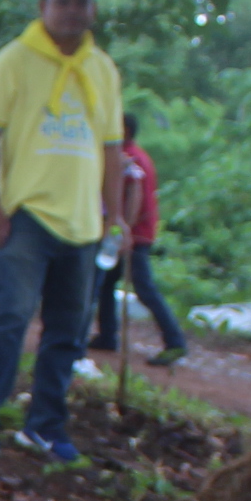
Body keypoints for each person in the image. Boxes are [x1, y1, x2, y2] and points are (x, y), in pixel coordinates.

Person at [0, 0, 127, 467]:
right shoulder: (13, 61)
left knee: (69, 329)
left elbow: (113, 147)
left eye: (81, 2)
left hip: (84, 221)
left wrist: (114, 217)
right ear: (43, 7)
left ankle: (46, 425)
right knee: (10, 316)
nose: (72, 11)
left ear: (92, 8)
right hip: (27, 213)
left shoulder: (102, 68)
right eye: (62, 1)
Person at [89, 114, 187, 367]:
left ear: (125, 130)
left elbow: (135, 194)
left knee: (144, 288)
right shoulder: (128, 155)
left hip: (134, 235)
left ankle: (175, 342)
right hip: (129, 232)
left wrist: (125, 231)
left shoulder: (130, 159)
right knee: (106, 283)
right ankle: (108, 335)